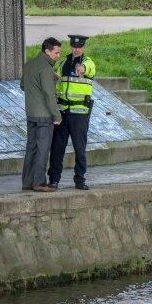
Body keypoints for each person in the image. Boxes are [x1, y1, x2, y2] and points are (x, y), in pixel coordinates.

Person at [47, 34, 97, 190]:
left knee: (80, 148)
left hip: (79, 114)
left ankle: (80, 179)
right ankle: (54, 180)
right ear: (71, 47)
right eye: (74, 46)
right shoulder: (63, 63)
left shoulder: (88, 63)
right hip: (62, 112)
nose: (76, 49)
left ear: (83, 47)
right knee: (57, 148)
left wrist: (82, 69)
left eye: (79, 47)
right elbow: (56, 79)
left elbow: (89, 69)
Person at [21, 38, 63, 193]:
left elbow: (23, 86)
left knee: (31, 147)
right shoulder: (46, 69)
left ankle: (27, 182)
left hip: (31, 113)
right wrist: (57, 115)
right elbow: (49, 94)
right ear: (47, 51)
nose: (58, 55)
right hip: (44, 116)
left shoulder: (30, 65)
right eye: (56, 52)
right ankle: (39, 182)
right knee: (43, 149)